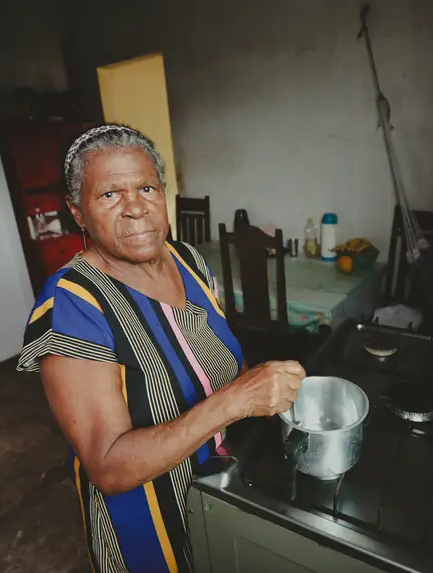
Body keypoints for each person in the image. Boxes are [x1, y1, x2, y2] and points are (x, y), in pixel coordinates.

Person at [17, 124, 304, 573]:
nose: (135, 208)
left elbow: (220, 356)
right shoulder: (74, 304)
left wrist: (264, 395)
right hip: (152, 531)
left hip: (226, 498)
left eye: (147, 188)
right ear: (78, 212)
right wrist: (237, 399)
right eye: (109, 195)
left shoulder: (189, 260)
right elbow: (109, 468)